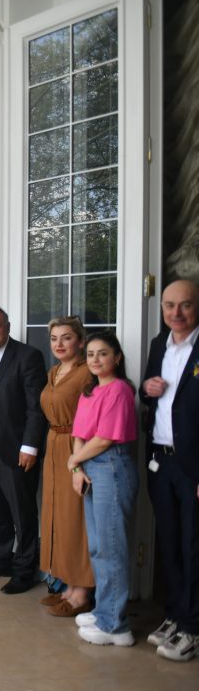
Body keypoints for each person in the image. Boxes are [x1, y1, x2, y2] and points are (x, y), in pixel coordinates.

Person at [140, 280, 199, 662]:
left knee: (193, 547)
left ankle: (192, 626)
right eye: (169, 305)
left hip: (192, 466)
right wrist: (147, 387)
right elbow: (146, 394)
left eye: (185, 305)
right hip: (160, 459)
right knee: (170, 543)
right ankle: (176, 615)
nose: (175, 313)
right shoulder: (159, 343)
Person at [0, 307, 47, 594]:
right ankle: (1, 559)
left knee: (22, 513)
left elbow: (36, 407)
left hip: (16, 450)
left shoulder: (27, 357)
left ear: (8, 327)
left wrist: (30, 446)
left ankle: (25, 570)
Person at [69, 331, 138, 647]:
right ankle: (103, 611)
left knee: (112, 547)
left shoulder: (120, 390)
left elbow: (105, 438)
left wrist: (73, 461)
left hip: (112, 467)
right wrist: (78, 468)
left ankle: (116, 626)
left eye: (103, 353)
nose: (96, 359)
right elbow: (80, 434)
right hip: (90, 466)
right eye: (91, 354)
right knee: (98, 546)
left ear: (117, 357)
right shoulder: (90, 390)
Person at [39, 316, 94, 617]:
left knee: (76, 518)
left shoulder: (87, 373)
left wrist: (80, 458)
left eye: (66, 337)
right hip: (54, 443)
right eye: (54, 338)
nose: (59, 344)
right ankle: (69, 585)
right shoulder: (55, 371)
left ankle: (82, 591)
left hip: (76, 445)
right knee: (57, 515)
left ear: (81, 342)